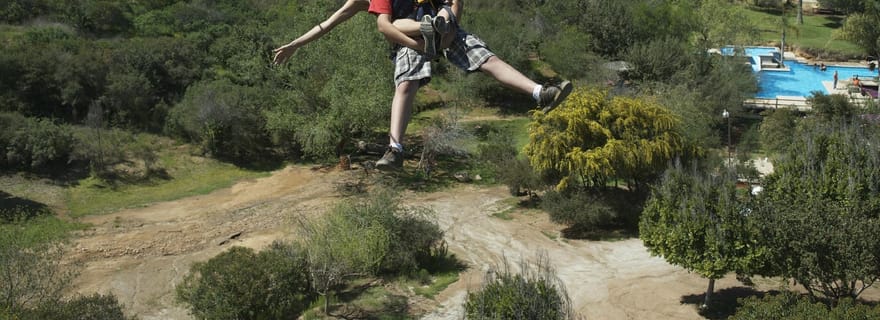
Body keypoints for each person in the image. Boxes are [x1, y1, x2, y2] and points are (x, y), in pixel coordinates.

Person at [369, 0, 573, 170]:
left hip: (444, 32)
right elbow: (384, 26)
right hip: (408, 38)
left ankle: (541, 93)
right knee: (406, 82)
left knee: (486, 59)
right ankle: (395, 149)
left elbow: (455, 3)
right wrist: (417, 45)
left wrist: (449, 32)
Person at [272, 0, 450, 65]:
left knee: (390, 23)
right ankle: (433, 26)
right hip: (418, 19)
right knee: (394, 22)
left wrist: (416, 45)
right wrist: (294, 44)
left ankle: (431, 29)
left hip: (415, 19)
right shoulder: (356, 2)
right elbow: (324, 26)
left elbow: (326, 26)